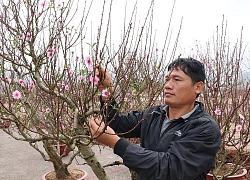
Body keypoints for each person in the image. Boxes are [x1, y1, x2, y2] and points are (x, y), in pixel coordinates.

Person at [89, 57, 221, 180]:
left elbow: (170, 168)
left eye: (177, 79)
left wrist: (116, 144)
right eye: (167, 79)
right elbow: (118, 124)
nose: (167, 85)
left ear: (198, 87)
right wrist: (106, 92)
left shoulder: (205, 128)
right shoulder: (154, 114)